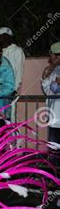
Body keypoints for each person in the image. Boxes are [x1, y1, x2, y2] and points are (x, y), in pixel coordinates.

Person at [41, 42, 60, 175]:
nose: (51, 57)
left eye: (53, 55)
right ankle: (54, 177)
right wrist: (50, 69)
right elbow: (48, 88)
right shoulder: (53, 70)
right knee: (54, 148)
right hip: (54, 117)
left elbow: (55, 88)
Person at [0, 27, 25, 92]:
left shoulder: (17, 51)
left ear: (6, 36)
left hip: (10, 91)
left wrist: (14, 90)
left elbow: (19, 73)